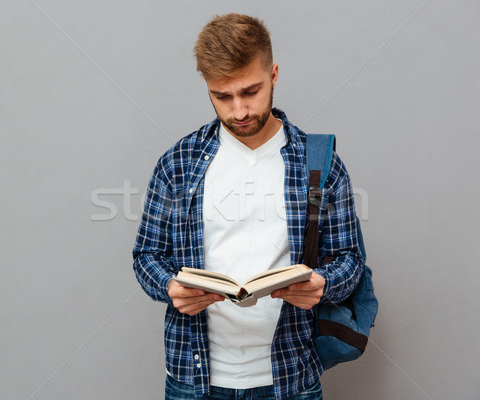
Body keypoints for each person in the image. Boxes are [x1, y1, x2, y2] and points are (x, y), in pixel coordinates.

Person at [133, 13, 363, 400]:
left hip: (291, 379)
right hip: (193, 380)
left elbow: (350, 260)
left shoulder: (318, 162)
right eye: (222, 97)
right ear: (206, 87)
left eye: (250, 92)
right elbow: (146, 255)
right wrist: (169, 286)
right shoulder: (179, 162)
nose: (238, 111)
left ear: (273, 75)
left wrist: (324, 285)